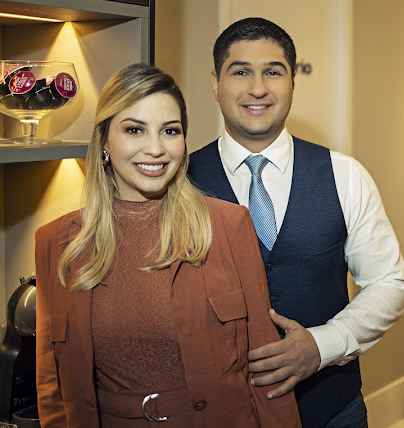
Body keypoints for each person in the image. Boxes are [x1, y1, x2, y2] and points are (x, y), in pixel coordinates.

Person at [35, 63, 301, 428]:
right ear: (104, 142)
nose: (156, 149)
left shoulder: (228, 225)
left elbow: (265, 367)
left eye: (170, 131)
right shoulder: (57, 241)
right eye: (134, 130)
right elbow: (52, 381)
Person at [188, 17, 404, 428]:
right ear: (216, 83)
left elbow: (388, 283)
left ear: (293, 82)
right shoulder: (178, 183)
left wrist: (322, 345)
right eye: (241, 72)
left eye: (273, 72)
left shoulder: (344, 174)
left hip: (333, 411)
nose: (258, 88)